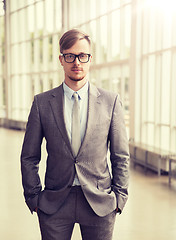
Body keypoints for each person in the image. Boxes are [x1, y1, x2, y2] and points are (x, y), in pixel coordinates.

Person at [21, 29, 129, 240]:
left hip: (100, 203)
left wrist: (119, 198)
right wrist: (34, 197)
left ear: (90, 59)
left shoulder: (111, 101)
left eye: (82, 56)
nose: (77, 62)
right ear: (61, 59)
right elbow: (29, 156)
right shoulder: (42, 103)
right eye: (70, 56)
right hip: (54, 203)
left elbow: (121, 156)